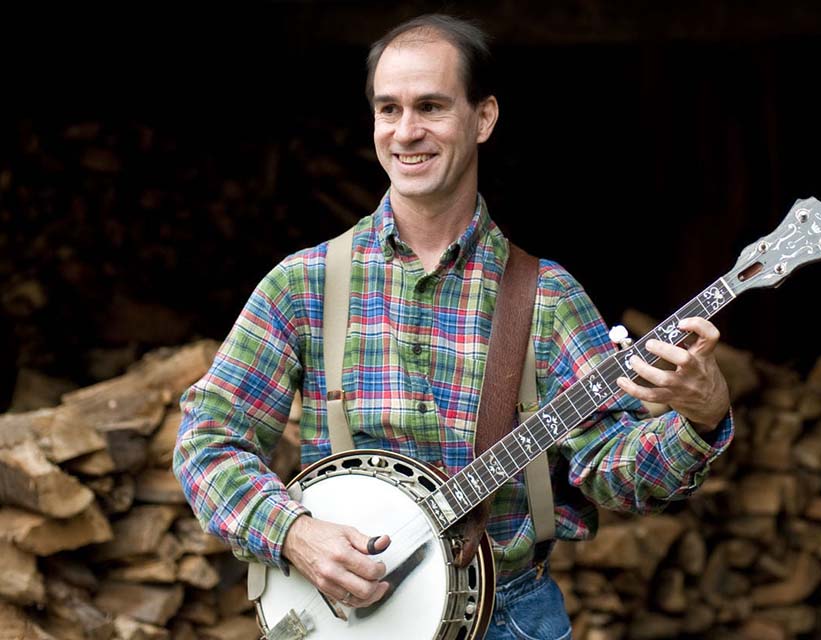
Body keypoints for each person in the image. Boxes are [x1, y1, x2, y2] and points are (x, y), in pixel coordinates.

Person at [174, 13, 733, 639]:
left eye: (431, 107)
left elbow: (615, 474)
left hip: (509, 620)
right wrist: (294, 533)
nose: (406, 132)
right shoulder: (305, 284)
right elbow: (206, 441)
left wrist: (699, 418)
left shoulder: (545, 297)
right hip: (343, 624)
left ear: (483, 118)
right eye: (389, 110)